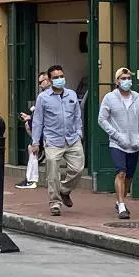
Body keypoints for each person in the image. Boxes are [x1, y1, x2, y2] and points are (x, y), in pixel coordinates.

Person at [30, 63, 85, 218]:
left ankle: (64, 190)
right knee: (53, 172)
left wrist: (79, 132)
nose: (60, 79)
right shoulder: (43, 98)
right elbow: (38, 121)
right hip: (53, 140)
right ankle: (55, 202)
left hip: (72, 138)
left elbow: (77, 116)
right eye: (56, 77)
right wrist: (36, 142)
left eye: (61, 76)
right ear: (50, 80)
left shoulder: (72, 95)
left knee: (78, 168)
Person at [97, 66, 139, 220]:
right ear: (117, 81)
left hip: (134, 144)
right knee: (121, 172)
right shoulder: (110, 98)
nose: (126, 81)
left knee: (129, 176)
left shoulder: (137, 98)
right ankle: (121, 205)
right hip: (117, 143)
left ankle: (120, 199)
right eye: (123, 78)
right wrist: (116, 135)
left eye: (128, 78)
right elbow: (102, 119)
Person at [16, 72, 50, 189]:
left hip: (46, 131)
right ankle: (31, 178)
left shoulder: (45, 97)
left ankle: (32, 179)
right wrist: (30, 118)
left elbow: (43, 118)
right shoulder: (44, 95)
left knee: (33, 149)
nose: (40, 85)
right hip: (43, 129)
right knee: (32, 149)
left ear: (48, 80)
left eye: (41, 82)